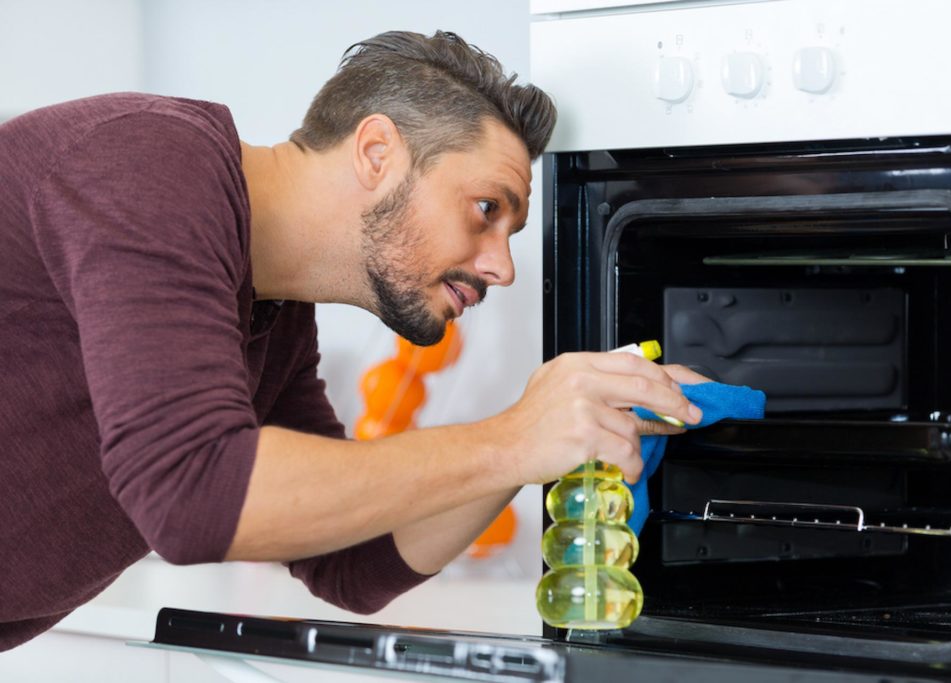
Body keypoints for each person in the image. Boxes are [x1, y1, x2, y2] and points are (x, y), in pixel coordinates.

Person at [0, 30, 703, 650]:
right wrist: (518, 436)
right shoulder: (147, 161)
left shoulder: (274, 320)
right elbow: (195, 493)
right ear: (377, 151)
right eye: (487, 209)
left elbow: (353, 563)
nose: (502, 267)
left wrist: (551, 433)